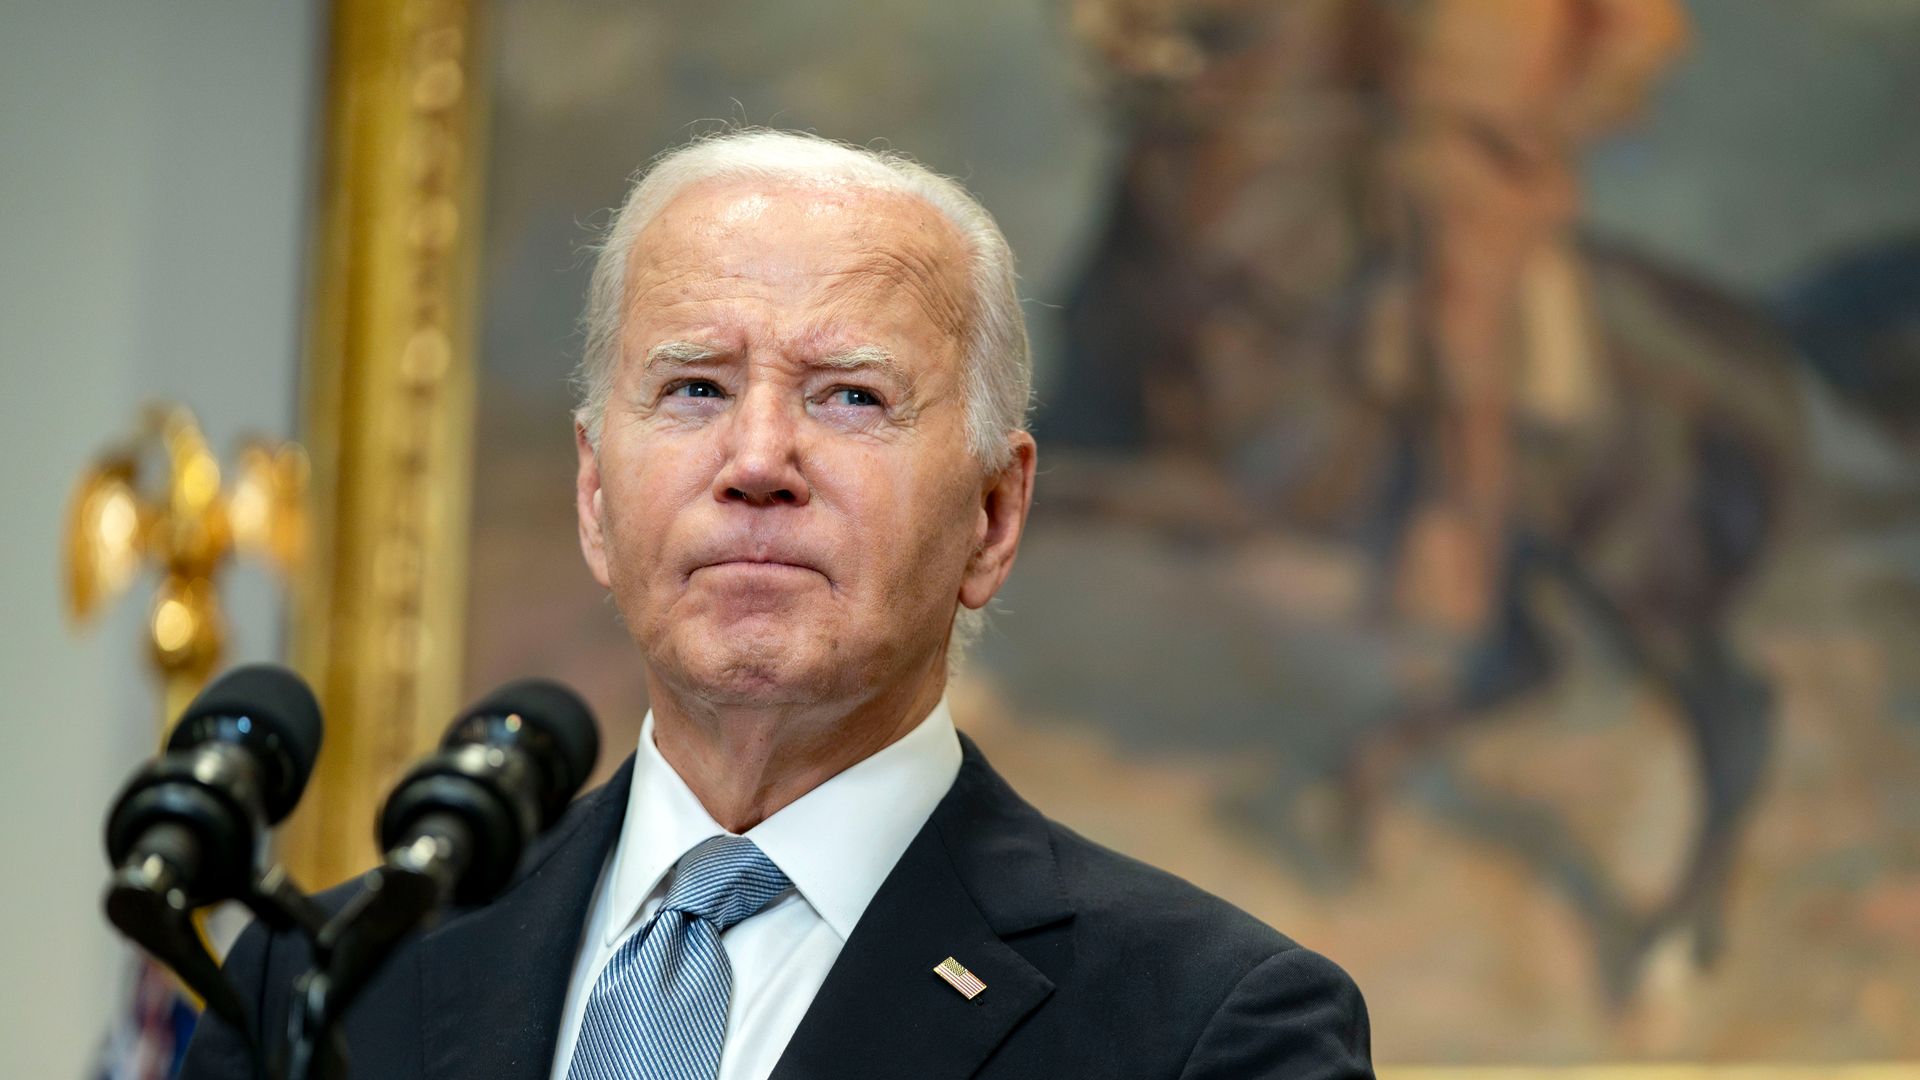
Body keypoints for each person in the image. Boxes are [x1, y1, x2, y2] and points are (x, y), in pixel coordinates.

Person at [182, 128, 1373, 1080]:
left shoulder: (1211, 1030)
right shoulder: (326, 978)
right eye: (695, 387)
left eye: (850, 398)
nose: (757, 459)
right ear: (596, 494)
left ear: (994, 517)